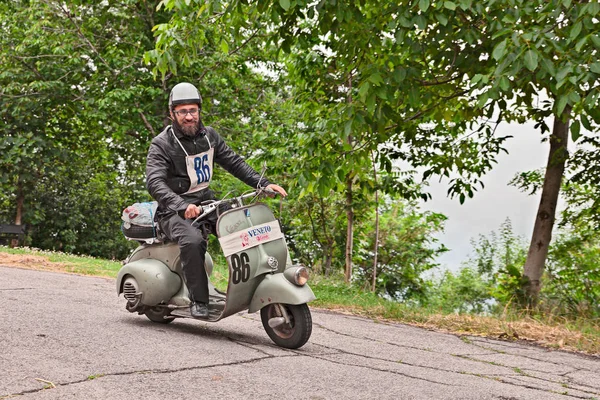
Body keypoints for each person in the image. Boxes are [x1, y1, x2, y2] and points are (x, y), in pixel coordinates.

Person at [146, 82, 287, 319]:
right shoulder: (161, 144)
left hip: (206, 203)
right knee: (193, 241)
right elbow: (155, 182)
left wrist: (262, 183)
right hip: (174, 210)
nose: (189, 117)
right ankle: (199, 301)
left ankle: (255, 283)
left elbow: (234, 162)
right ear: (172, 113)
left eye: (193, 110)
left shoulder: (209, 136)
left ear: (199, 111)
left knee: (244, 225)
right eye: (182, 112)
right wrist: (181, 206)